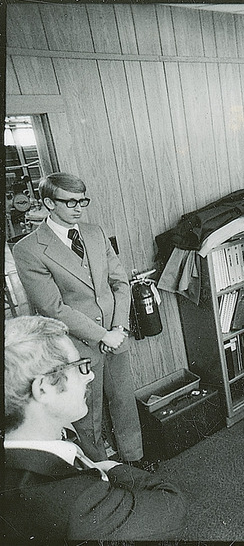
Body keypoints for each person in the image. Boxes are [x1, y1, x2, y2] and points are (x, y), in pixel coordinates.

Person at [2, 315, 186, 541]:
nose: (89, 376)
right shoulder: (75, 503)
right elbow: (172, 505)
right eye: (79, 366)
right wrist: (113, 467)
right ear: (43, 389)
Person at [12, 172, 143, 465]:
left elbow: (120, 284)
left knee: (124, 402)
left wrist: (118, 327)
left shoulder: (95, 233)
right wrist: (102, 335)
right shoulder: (28, 250)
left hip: (116, 335)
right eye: (70, 202)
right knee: (87, 415)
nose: (78, 208)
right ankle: (101, 471)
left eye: (82, 200)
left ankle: (134, 462)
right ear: (48, 203)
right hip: (78, 348)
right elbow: (53, 307)